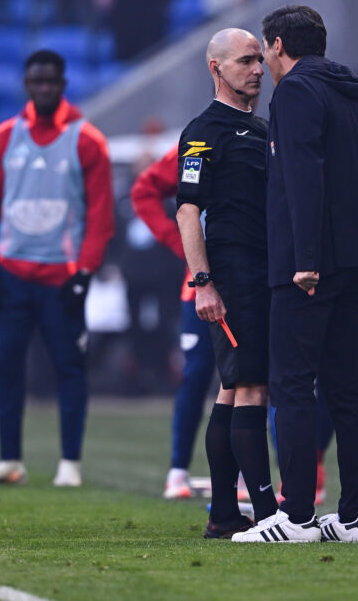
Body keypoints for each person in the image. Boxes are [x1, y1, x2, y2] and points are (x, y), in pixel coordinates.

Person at [233, 6, 358, 544]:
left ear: (279, 44)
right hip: (356, 266)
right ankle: (353, 519)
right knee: (346, 393)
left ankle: (299, 517)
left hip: (309, 268)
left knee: (292, 386)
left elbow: (303, 175)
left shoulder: (296, 94)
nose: (264, 61)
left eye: (265, 50)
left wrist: (305, 256)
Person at [0, 50, 114, 488]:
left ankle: (70, 463)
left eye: (52, 81)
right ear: (27, 85)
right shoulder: (2, 138)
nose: (45, 88)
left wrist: (85, 272)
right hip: (12, 275)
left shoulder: (88, 140)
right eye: (37, 82)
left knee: (69, 367)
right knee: (5, 366)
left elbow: (101, 217)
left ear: (62, 83)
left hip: (61, 277)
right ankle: (10, 460)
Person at [175, 27, 277, 538]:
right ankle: (267, 511)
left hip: (263, 270)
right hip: (235, 274)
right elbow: (188, 211)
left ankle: (222, 514)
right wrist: (204, 283)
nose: (257, 69)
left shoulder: (261, 129)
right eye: (244, 61)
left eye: (259, 59)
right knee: (251, 386)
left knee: (233, 388)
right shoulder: (203, 131)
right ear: (215, 68)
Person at [129, 145, 217, 500]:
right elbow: (144, 191)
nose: (253, 84)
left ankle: (248, 477)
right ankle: (178, 471)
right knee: (196, 377)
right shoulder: (200, 142)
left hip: (250, 282)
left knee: (252, 383)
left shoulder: (266, 137)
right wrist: (179, 242)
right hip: (197, 286)